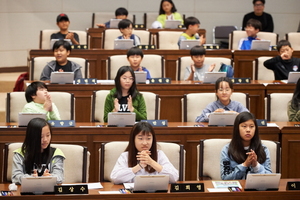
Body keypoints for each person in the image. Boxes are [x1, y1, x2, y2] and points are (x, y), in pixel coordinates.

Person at [110, 122, 179, 184]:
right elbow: (115, 178)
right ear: (133, 139)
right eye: (140, 138)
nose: (145, 143)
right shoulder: (125, 156)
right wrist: (139, 166)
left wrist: (151, 162)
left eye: (148, 138)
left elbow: (174, 177)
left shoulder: (159, 154)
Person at [12, 118, 65, 184]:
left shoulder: (56, 153)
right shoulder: (20, 154)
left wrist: (46, 178)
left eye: (48, 135)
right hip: (26, 191)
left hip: (49, 192)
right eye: (41, 137)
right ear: (32, 137)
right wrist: (33, 179)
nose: (45, 139)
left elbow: (59, 177)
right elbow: (16, 177)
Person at [220, 112, 272, 180]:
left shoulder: (263, 149)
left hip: (257, 189)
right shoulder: (227, 150)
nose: (248, 130)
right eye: (244, 126)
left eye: (251, 126)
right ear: (237, 128)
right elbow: (225, 178)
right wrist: (244, 165)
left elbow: (269, 177)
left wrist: (256, 166)